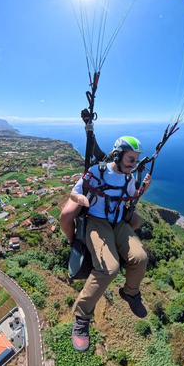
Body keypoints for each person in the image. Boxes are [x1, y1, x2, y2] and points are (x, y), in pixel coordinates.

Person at [68, 136, 151, 352]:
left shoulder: (128, 177)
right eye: (130, 159)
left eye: (135, 161)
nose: (133, 165)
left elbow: (131, 199)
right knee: (109, 268)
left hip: (117, 222)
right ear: (118, 155)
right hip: (97, 221)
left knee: (140, 258)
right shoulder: (97, 171)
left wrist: (143, 189)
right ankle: (81, 317)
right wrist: (81, 200)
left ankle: (130, 292)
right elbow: (73, 192)